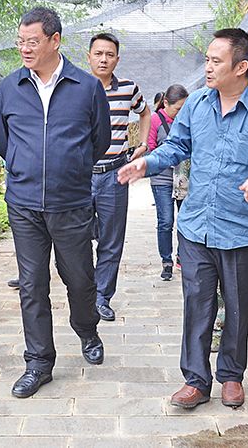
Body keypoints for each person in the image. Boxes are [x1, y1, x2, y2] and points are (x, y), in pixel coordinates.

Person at [118, 28, 248, 409]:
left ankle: (231, 375)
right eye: (208, 59)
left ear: (241, 67)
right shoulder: (197, 104)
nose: (208, 67)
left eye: (216, 61)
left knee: (237, 308)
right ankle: (196, 380)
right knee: (197, 305)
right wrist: (147, 163)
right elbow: (177, 147)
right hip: (196, 226)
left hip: (242, 230)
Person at [0, 7, 111, 398]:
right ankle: (39, 362)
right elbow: (2, 141)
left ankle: (86, 329)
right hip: (24, 204)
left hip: (71, 202)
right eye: (20, 42)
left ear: (55, 40)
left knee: (79, 278)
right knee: (32, 284)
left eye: (33, 42)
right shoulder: (10, 88)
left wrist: (70, 168)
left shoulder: (86, 87)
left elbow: (99, 141)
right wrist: (26, 167)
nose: (25, 49)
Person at [88, 32, 151, 321]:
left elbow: (145, 112)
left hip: (115, 174)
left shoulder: (128, 88)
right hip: (80, 177)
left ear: (117, 59)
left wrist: (143, 144)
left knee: (111, 240)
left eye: (109, 54)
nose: (103, 59)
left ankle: (102, 297)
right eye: (98, 53)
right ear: (89, 57)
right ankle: (83, 293)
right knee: (77, 237)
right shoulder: (78, 86)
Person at [147, 85, 189, 281]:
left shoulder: (187, 120)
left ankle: (182, 256)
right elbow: (150, 148)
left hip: (184, 178)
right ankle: (166, 261)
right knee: (165, 221)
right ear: (165, 103)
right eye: (178, 108)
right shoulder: (155, 120)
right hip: (162, 177)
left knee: (185, 220)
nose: (181, 112)